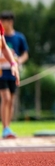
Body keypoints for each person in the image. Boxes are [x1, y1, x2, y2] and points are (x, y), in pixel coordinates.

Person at [0, 11, 27, 139]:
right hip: (1, 72)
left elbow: (4, 47)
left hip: (11, 72)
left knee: (11, 100)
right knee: (5, 98)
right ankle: (5, 127)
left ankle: (7, 128)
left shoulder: (19, 37)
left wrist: (14, 63)